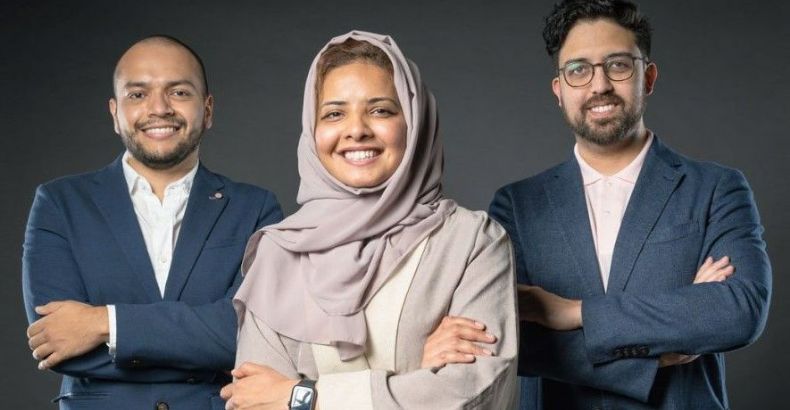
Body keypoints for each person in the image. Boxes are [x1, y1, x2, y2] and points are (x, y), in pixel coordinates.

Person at [487, 0, 772, 408]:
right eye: (578, 70)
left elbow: (738, 312)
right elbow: (512, 341)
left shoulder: (716, 188)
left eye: (618, 65)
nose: (599, 86)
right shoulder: (517, 205)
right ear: (559, 90)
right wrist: (656, 354)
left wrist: (574, 312)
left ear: (648, 77)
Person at [220, 31, 519, 410]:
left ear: (415, 124)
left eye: (380, 110)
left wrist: (303, 396)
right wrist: (415, 373)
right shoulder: (279, 251)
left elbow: (475, 397)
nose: (356, 129)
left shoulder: (472, 241)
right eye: (334, 113)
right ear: (312, 130)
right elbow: (255, 402)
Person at [22, 35, 284, 409]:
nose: (159, 108)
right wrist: (201, 342)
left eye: (179, 92)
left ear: (208, 109)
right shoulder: (59, 203)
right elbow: (56, 342)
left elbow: (252, 336)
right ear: (115, 113)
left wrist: (105, 323)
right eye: (138, 94)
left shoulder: (255, 208)